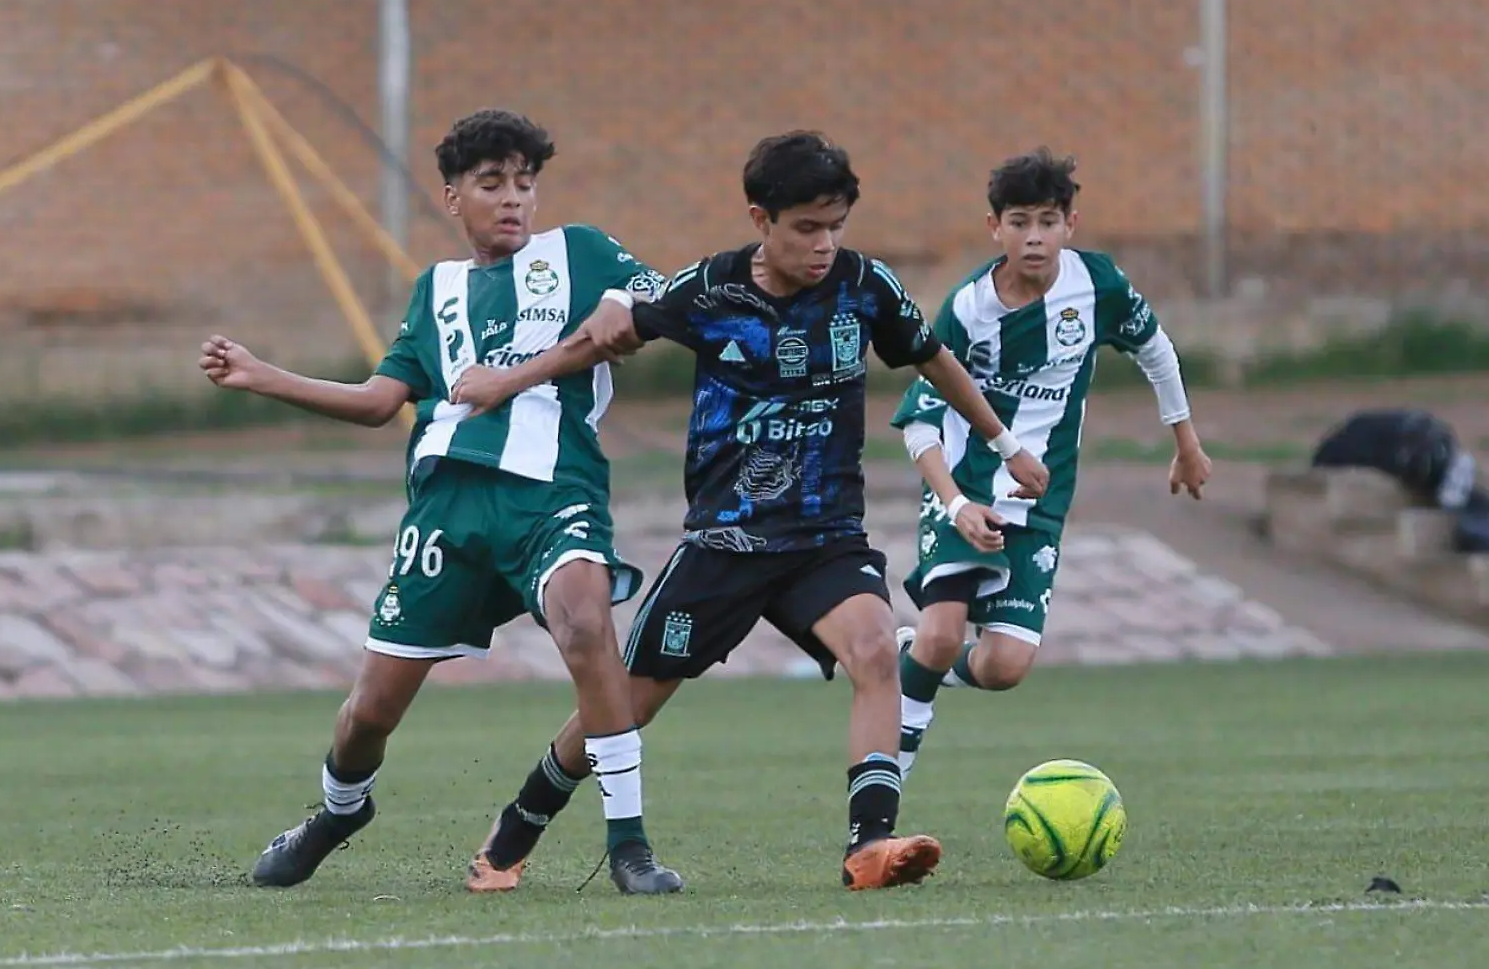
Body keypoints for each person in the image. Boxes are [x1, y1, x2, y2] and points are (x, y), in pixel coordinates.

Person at [446, 131, 1049, 892]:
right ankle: (514, 831)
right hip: (723, 545)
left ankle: (870, 846)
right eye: (805, 228)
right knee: (626, 704)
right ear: (761, 220)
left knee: (873, 649)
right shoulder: (713, 291)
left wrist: (1000, 442)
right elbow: (601, 342)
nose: (824, 244)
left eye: (835, 226)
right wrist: (507, 381)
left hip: (824, 539)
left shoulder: (867, 287)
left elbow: (934, 360)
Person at [198, 108, 684, 895]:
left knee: (587, 620)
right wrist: (264, 376)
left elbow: (674, 303)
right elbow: (377, 398)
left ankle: (629, 845)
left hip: (554, 493)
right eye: (491, 184)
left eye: (525, 184)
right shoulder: (437, 290)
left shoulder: (585, 253)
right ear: (453, 197)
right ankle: (338, 811)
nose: (513, 199)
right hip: (445, 513)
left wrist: (630, 311)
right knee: (368, 713)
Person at [889, 148, 1212, 781]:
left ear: (1070, 223)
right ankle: (884, 786)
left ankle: (917, 654)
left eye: (1046, 221)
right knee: (943, 632)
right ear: (995, 228)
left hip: (1042, 499)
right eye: (1018, 222)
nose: (1033, 237)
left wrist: (1187, 443)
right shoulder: (968, 310)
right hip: (968, 483)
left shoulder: (1097, 287)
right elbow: (920, 421)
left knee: (1005, 667)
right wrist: (955, 502)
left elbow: (1156, 350)